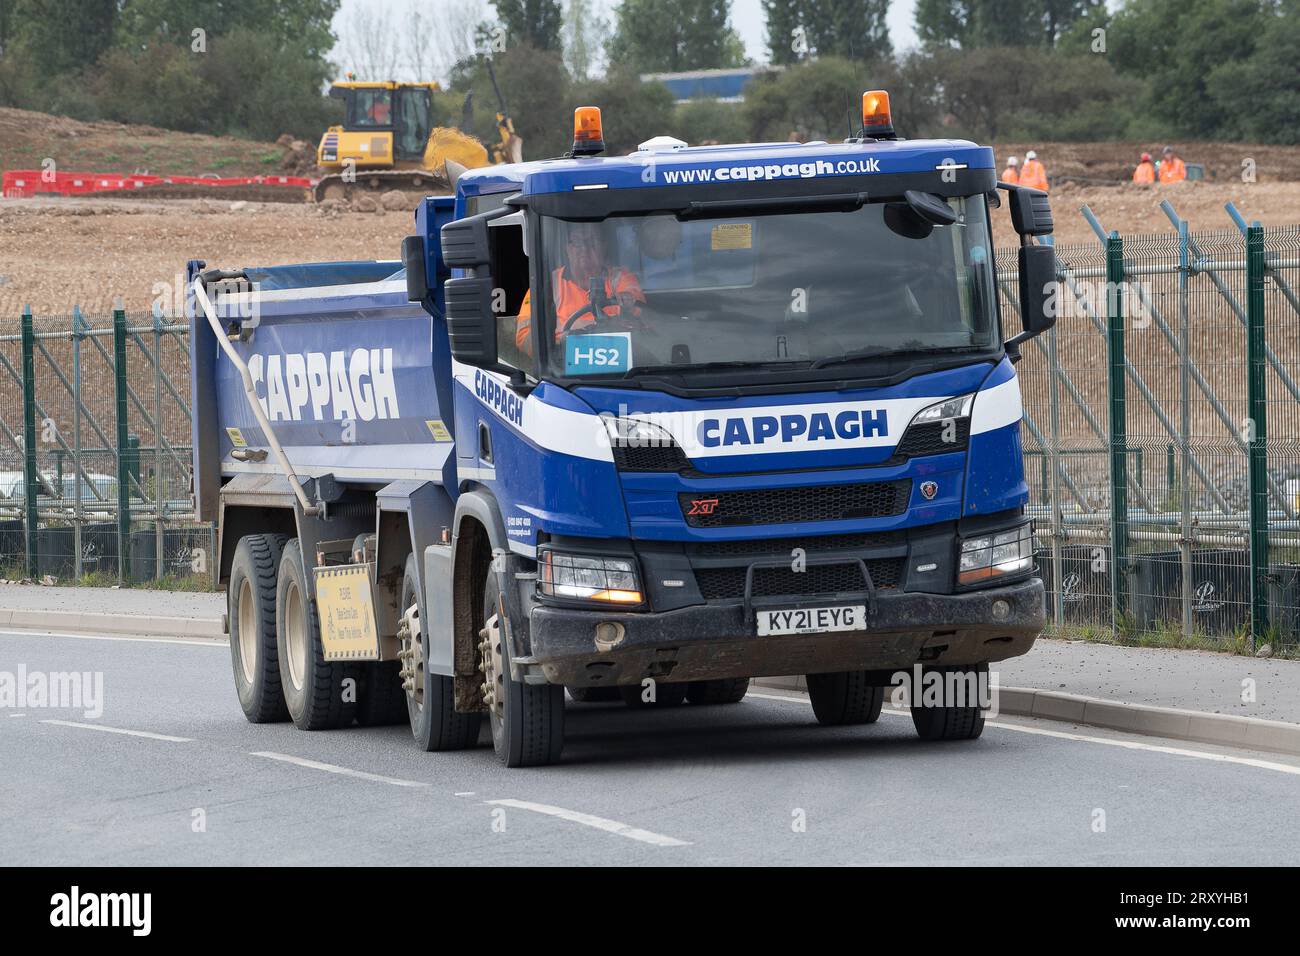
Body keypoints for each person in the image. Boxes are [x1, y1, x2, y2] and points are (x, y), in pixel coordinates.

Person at [516, 221, 645, 354]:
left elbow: (639, 313)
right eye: (577, 242)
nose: (584, 249)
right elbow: (524, 336)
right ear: (567, 248)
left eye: (592, 241)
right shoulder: (546, 284)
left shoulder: (621, 278)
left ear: (604, 246)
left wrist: (627, 304)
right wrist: (562, 350)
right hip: (562, 368)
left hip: (619, 361)